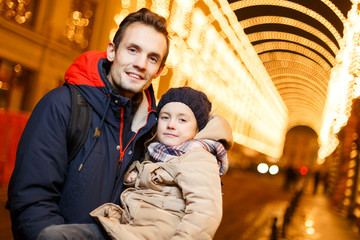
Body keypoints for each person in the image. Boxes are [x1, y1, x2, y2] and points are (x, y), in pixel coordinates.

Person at [6, 8, 170, 240]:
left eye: (152, 58)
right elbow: (32, 202)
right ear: (112, 51)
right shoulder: (62, 105)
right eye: (133, 50)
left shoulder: (152, 132)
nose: (141, 64)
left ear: (159, 71)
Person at [36, 87, 234, 240]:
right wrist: (134, 173)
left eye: (182, 120)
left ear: (197, 128)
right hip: (126, 228)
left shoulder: (197, 157)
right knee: (53, 235)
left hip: (153, 235)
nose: (171, 125)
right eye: (165, 117)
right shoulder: (156, 151)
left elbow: (205, 212)